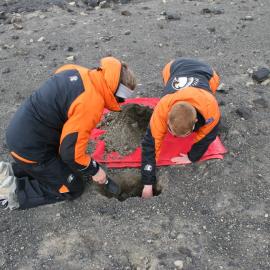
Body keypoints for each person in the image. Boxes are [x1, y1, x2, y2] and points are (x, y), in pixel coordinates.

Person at [0, 56, 136, 210]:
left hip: (21, 133)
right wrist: (95, 170)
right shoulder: (92, 103)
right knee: (73, 187)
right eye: (122, 98)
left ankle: (7, 171)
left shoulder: (78, 71)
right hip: (31, 149)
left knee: (67, 168)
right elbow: (70, 153)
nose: (122, 103)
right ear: (115, 91)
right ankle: (11, 193)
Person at [141, 57, 221, 198]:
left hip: (207, 72)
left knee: (214, 82)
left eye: (181, 135)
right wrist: (147, 183)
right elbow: (150, 144)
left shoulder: (211, 110)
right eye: (171, 131)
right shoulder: (163, 107)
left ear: (196, 122)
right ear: (168, 116)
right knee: (167, 76)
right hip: (174, 67)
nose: (175, 137)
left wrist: (192, 157)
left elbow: (207, 137)